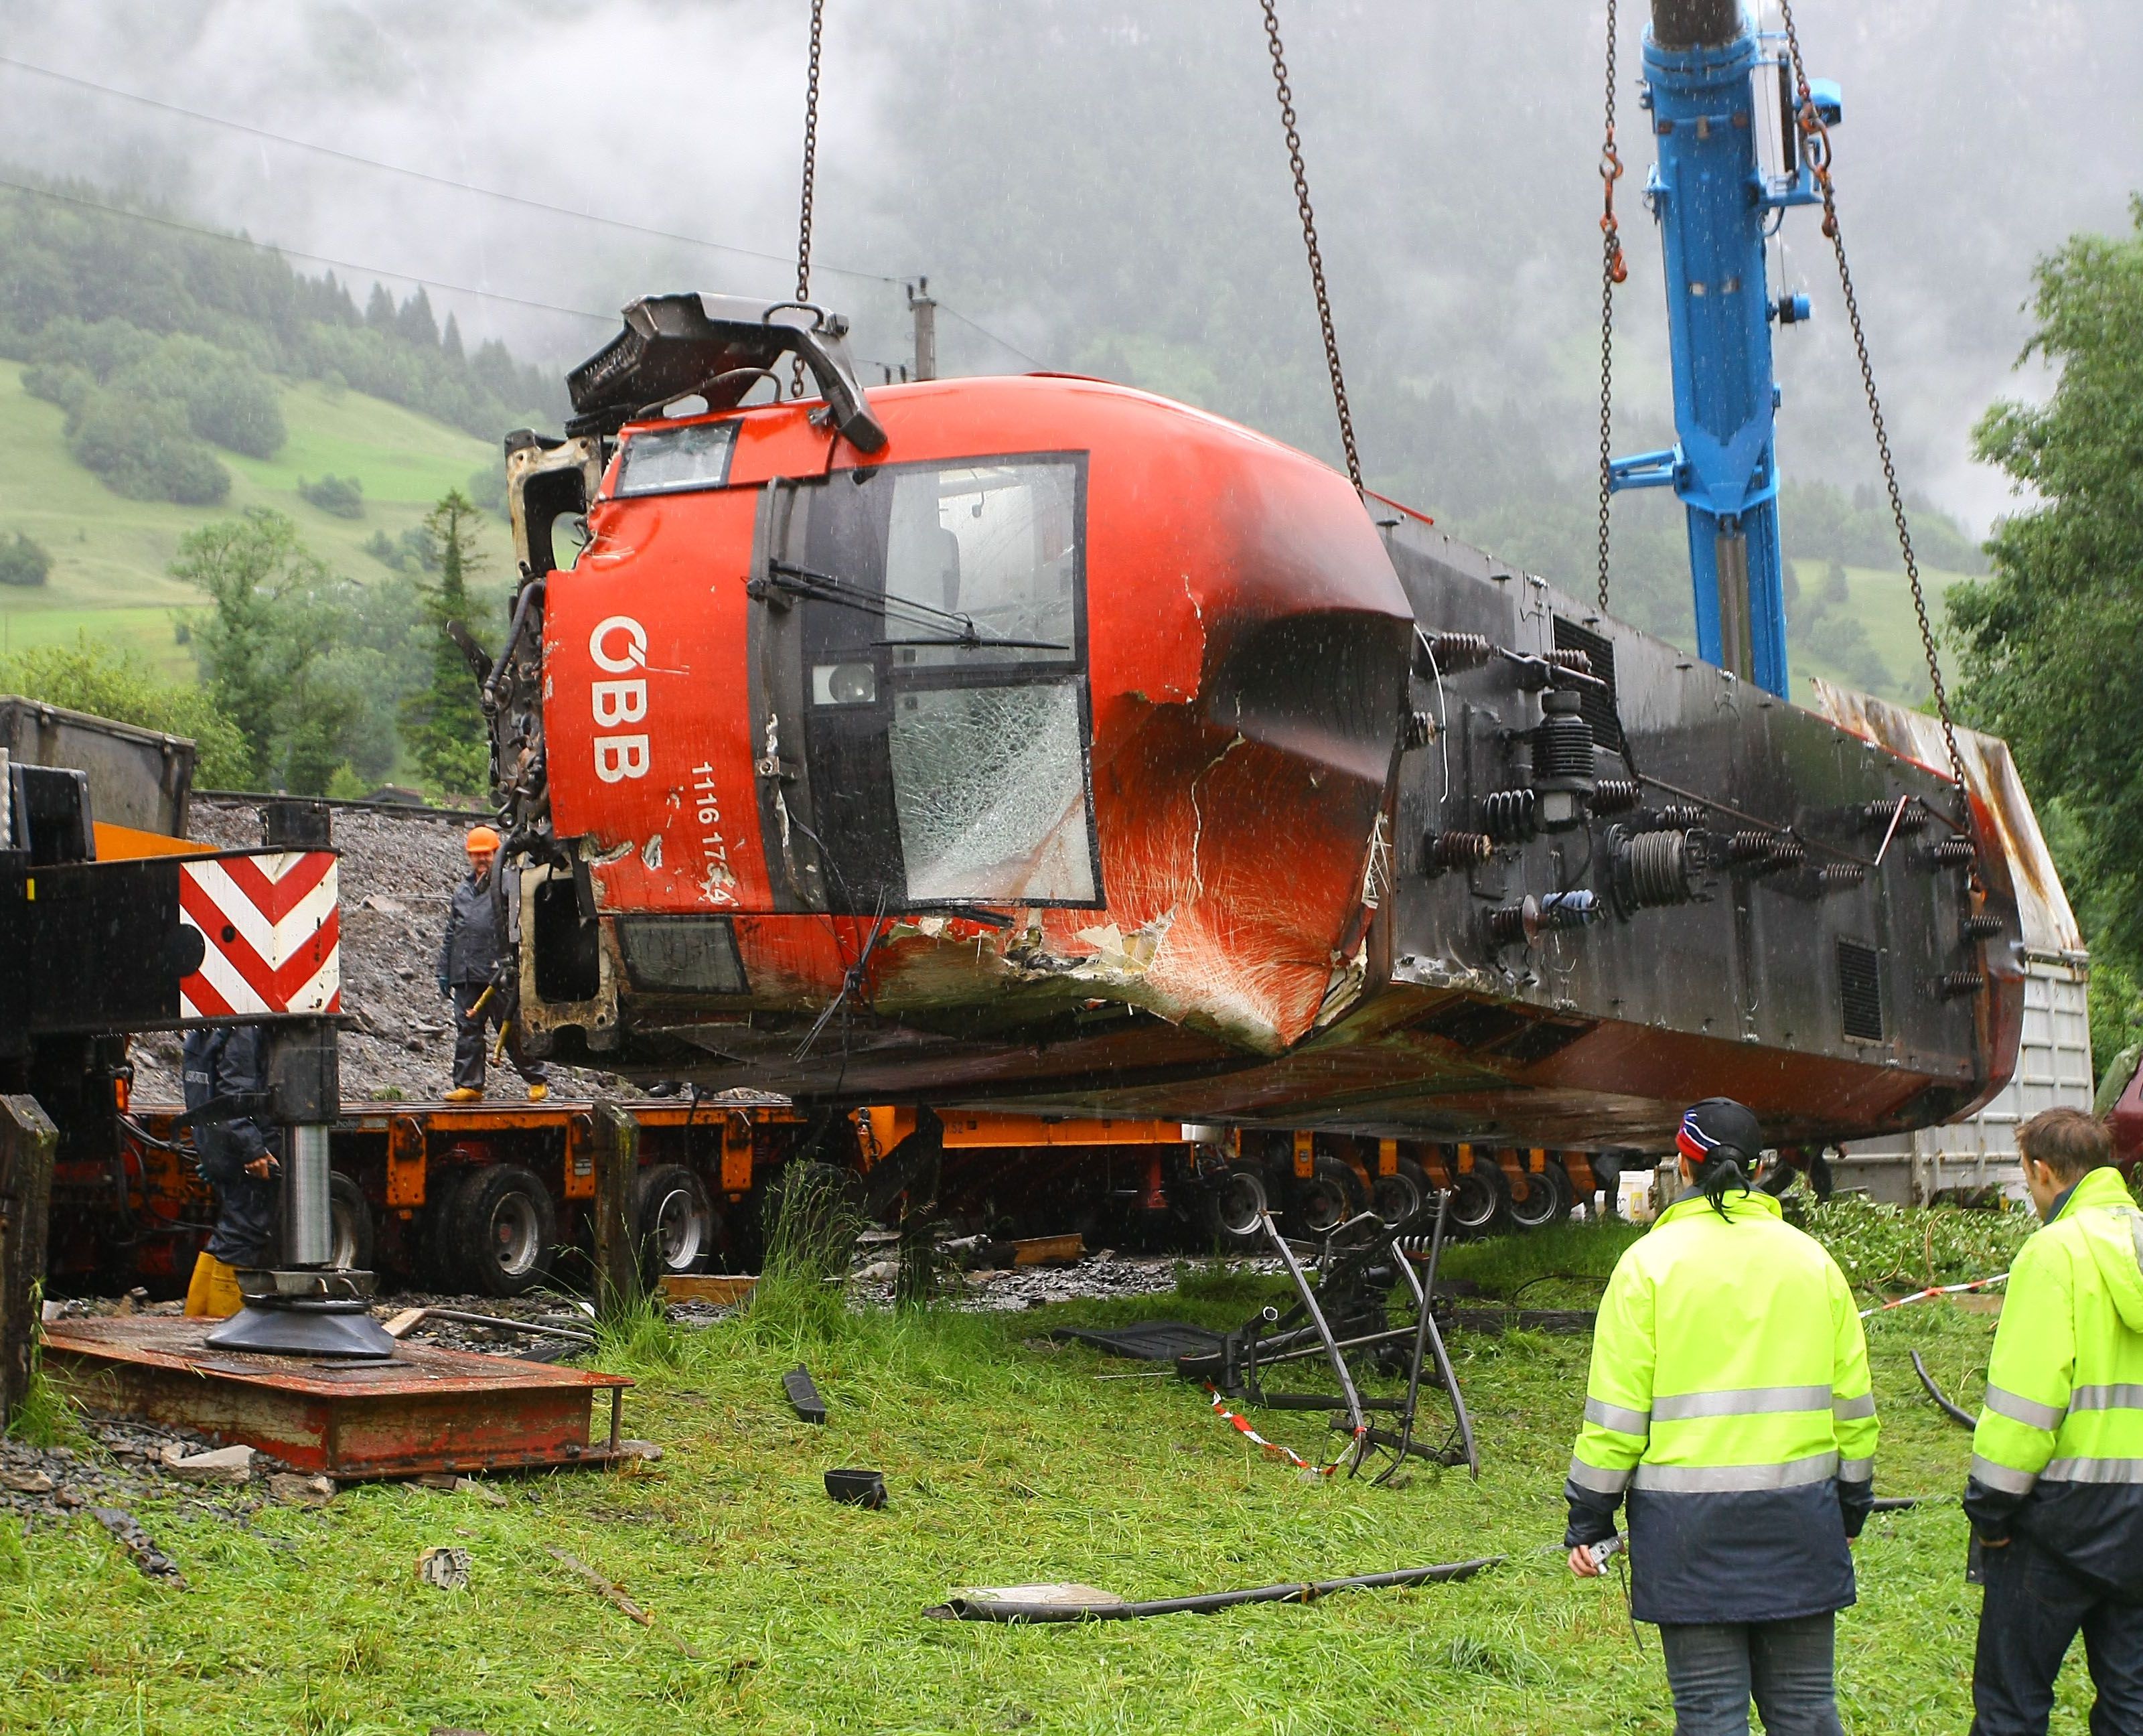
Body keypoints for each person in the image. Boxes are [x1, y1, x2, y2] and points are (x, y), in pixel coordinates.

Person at [1565, 1097, 1877, 1736]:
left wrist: (1590, 1518)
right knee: (1808, 1713)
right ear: (1762, 1168)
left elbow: (1615, 1418)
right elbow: (1855, 1409)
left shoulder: (1646, 1268)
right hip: (1800, 1525)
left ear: (1684, 1165)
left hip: (1688, 1538)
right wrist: (1850, 1506)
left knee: (1710, 1718)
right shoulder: (1813, 1263)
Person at [1964, 1106, 2143, 1735]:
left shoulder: (2054, 1253)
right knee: (2133, 1702)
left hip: (2059, 1520)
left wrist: (1990, 1512)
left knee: (2013, 1703)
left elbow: (2025, 1408)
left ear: (2043, 1172)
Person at [438, 824, 547, 1103]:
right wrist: (445, 971)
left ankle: (537, 1079)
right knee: (467, 1030)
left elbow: (521, 922)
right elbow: (452, 932)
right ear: (469, 856)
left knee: (509, 1027)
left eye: (486, 854)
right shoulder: (462, 891)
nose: (482, 859)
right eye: (476, 855)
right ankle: (469, 1085)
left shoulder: (508, 885)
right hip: (465, 972)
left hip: (498, 972)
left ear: (497, 853)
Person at [179, 1024, 281, 1315]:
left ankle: (195, 1320)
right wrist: (253, 1150)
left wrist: (216, 1153)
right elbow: (235, 1097)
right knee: (243, 1235)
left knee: (229, 1232)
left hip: (221, 1145)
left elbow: (207, 1093)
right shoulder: (243, 1030)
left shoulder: (206, 1030)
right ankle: (221, 1326)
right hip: (243, 1148)